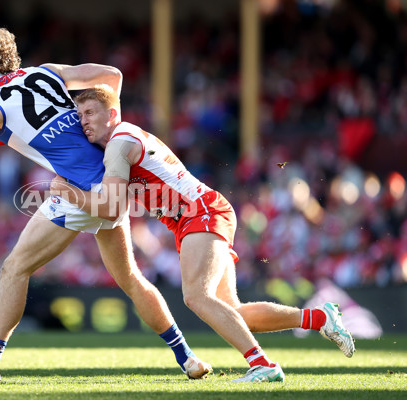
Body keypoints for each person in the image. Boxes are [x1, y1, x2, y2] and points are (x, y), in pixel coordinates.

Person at [0, 25, 211, 382]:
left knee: (14, 268)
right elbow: (112, 76)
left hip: (78, 189)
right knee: (129, 278)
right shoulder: (45, 72)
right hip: (113, 177)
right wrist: (110, 137)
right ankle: (186, 357)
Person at [49, 85, 356, 383]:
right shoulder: (122, 139)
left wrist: (66, 192)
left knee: (196, 296)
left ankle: (262, 364)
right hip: (198, 214)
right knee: (232, 311)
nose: (84, 121)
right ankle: (319, 319)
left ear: (112, 113)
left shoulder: (119, 142)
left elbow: (110, 207)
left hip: (199, 213)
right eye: (80, 116)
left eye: (90, 112)